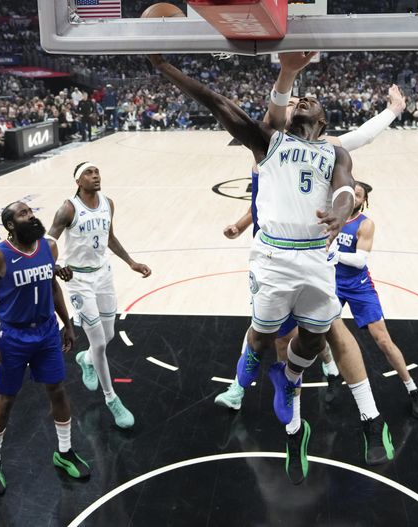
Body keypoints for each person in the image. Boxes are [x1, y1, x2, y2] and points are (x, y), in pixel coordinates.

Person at [151, 51, 397, 483]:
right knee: (264, 336)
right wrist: (165, 68)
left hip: (316, 256)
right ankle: (259, 383)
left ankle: (292, 382)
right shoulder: (269, 141)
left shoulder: (334, 153)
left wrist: (341, 212)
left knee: (315, 338)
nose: (303, 101)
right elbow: (216, 101)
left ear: (323, 123)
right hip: (273, 255)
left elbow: (343, 190)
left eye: (312, 101)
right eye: (298, 98)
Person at [218, 82, 408, 414]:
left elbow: (360, 137)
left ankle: (318, 381)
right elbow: (260, 202)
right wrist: (241, 225)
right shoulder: (268, 145)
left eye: (298, 102)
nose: (294, 105)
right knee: (267, 330)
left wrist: (391, 111)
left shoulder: (324, 147)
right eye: (289, 102)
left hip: (312, 245)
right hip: (271, 247)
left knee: (322, 326)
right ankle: (245, 387)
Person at [0, 201, 90, 496]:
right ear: (11, 225)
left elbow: (53, 288)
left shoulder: (47, 247)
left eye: (30, 211)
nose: (31, 216)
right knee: (7, 399)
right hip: (13, 337)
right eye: (23, 214)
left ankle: (64, 452)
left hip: (47, 332)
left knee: (58, 390)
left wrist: (68, 323)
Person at [48, 162, 151, 429]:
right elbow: (49, 242)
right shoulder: (68, 208)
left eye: (97, 172)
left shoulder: (108, 203)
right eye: (89, 173)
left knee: (108, 337)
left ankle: (85, 359)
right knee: (101, 344)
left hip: (103, 274)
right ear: (78, 181)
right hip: (78, 279)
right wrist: (56, 267)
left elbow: (109, 237)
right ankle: (112, 399)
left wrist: (131, 262)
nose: (95, 176)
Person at [336, 181, 418, 417]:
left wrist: (332, 253)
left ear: (363, 201)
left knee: (383, 341)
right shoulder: (332, 218)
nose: (354, 198)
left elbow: (359, 261)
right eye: (351, 193)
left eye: (358, 195)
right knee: (319, 331)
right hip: (332, 284)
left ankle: (413, 389)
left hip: (359, 287)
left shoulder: (365, 224)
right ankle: (330, 370)